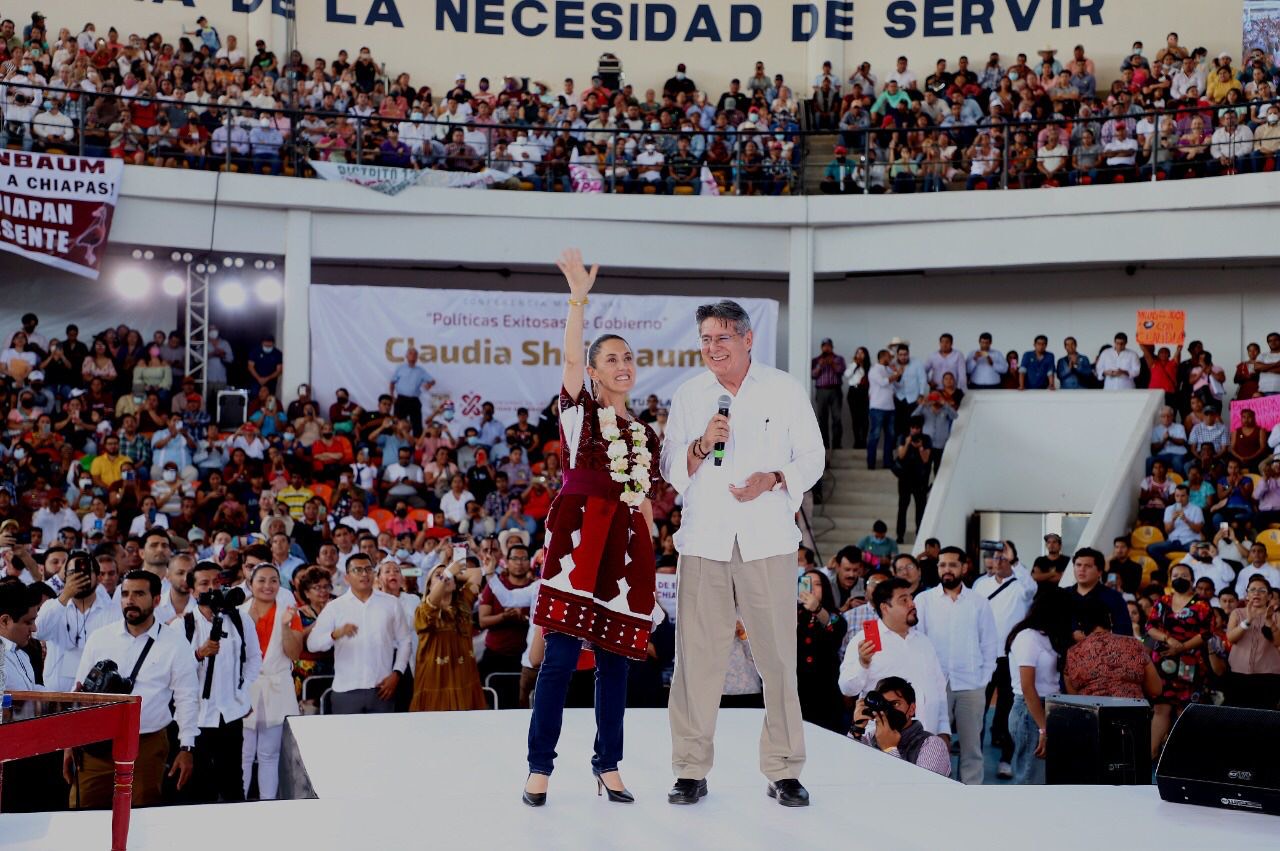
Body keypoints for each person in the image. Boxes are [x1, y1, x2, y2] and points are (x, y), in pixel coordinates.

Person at [660, 292, 824, 809]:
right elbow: (670, 468)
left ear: (748, 339)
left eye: (722, 338)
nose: (712, 348)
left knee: (777, 659)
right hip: (705, 542)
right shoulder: (690, 395)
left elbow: (813, 456)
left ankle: (783, 769)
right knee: (696, 660)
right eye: (705, 340)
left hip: (767, 542)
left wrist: (775, 479)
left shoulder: (784, 390)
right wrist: (702, 444)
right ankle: (690, 769)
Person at [524, 250, 661, 808]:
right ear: (594, 368)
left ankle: (608, 765)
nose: (623, 365)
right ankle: (539, 767)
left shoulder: (646, 433)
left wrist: (650, 552)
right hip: (579, 540)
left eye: (629, 357)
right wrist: (577, 298)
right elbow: (569, 362)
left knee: (615, 664)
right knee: (558, 659)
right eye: (612, 358)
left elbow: (643, 498)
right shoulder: (580, 413)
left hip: (627, 547)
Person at [71, 570, 198, 808]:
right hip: (95, 746)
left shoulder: (175, 643)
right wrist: (70, 740)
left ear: (157, 600)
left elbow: (186, 698)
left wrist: (186, 747)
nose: (130, 600)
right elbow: (79, 691)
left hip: (147, 745)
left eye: (139, 594)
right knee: (83, 812)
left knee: (141, 814)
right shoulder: (100, 638)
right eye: (125, 593)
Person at [915, 546, 998, 785]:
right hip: (935, 685)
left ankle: (971, 795)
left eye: (952, 565)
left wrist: (982, 680)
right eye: (942, 565)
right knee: (932, 744)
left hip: (970, 685)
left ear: (964, 567)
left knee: (972, 747)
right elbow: (918, 641)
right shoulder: (924, 600)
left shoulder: (978, 603)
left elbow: (990, 644)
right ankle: (935, 789)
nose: (947, 570)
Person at [183, 561, 262, 803]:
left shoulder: (240, 619)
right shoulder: (182, 626)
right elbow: (174, 673)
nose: (211, 588)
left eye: (216, 582)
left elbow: (253, 659)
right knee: (199, 786)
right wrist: (198, 654)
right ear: (192, 591)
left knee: (233, 783)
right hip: (196, 718)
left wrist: (241, 692)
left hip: (230, 714)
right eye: (204, 583)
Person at [839, 577, 950, 744]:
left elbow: (939, 689)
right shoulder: (864, 641)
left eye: (911, 598)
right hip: (883, 744)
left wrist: (943, 730)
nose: (912, 604)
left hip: (927, 740)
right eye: (904, 600)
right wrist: (863, 663)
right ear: (885, 607)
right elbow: (847, 688)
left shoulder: (924, 642)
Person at [305, 552, 413, 714]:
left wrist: (397, 673)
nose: (364, 574)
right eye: (358, 570)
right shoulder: (335, 607)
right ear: (347, 577)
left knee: (383, 739)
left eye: (368, 569)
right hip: (346, 689)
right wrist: (335, 634)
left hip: (382, 688)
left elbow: (405, 641)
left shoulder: (391, 603)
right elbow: (312, 644)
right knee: (347, 739)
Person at [239, 564, 302, 800]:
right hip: (246, 688)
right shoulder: (239, 612)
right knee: (243, 754)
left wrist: (286, 625)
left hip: (277, 687)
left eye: (273, 580)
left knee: (269, 754)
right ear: (251, 584)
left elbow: (295, 653)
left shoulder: (289, 612)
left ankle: (268, 805)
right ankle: (240, 803)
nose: (268, 586)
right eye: (262, 580)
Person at [1006, 587, 1072, 785]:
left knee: (1042, 778)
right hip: (1030, 711)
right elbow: (1028, 687)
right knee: (1029, 778)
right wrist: (1044, 728)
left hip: (1048, 707)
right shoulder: (1028, 637)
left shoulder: (1048, 636)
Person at [1146, 562, 1212, 759]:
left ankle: (1183, 759)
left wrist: (1182, 647)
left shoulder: (1202, 604)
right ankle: (1150, 754)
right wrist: (1169, 639)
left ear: (1192, 579)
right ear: (1170, 578)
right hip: (1163, 663)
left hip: (1190, 664)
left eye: (1184, 575)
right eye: (1175, 575)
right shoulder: (1162, 602)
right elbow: (1150, 627)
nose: (1179, 578)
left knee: (1186, 710)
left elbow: (1206, 632)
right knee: (1160, 708)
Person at [35, 550, 121, 691]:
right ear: (65, 577)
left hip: (95, 698)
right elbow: (38, 632)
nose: (79, 576)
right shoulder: (53, 605)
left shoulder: (114, 612)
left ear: (98, 578)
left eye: (86, 572)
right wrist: (65, 595)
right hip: (56, 697)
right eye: (72, 573)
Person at [410, 560, 487, 711]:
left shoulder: (464, 603)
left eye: (448, 575)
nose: (445, 577)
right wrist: (448, 574)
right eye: (438, 576)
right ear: (430, 586)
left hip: (464, 680)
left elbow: (477, 573)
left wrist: (454, 574)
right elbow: (432, 601)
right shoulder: (423, 611)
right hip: (436, 681)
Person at [849, 676, 952, 777]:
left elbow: (923, 791)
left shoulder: (932, 744)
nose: (888, 710)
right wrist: (857, 730)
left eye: (895, 704)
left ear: (912, 709)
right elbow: (848, 770)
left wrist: (889, 749)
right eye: (884, 704)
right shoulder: (869, 738)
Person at [1064, 595, 1162, 699]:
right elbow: (1156, 689)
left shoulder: (1073, 653)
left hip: (1091, 713)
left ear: (1081, 624)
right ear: (1110, 619)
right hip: (1131, 713)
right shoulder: (1134, 644)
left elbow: (1074, 699)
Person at [795, 568, 848, 733]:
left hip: (826, 693)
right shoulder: (791, 614)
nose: (811, 588)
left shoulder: (834, 616)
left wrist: (817, 609)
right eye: (806, 583)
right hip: (797, 691)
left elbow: (836, 626)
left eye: (817, 584)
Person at [1224, 576, 1280, 709]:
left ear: (1269, 596)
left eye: (1262, 590)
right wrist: (1247, 621)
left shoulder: (1277, 616)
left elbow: (1278, 642)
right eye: (1252, 590)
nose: (1257, 593)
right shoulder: (1237, 613)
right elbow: (1231, 638)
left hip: (1268, 675)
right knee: (1238, 715)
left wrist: (1269, 621)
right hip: (1238, 674)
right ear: (1247, 595)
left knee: (1264, 716)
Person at [1068, 547, 1132, 638]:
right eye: (1078, 565)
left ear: (1099, 572)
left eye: (1088, 566)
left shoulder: (1113, 597)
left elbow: (1124, 632)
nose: (1081, 569)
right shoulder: (1063, 595)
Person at [894, 416, 932, 544]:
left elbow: (926, 459)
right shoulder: (903, 437)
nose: (915, 431)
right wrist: (907, 442)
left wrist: (920, 447)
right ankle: (900, 535)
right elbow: (901, 455)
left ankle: (920, 535)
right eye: (913, 428)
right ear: (910, 428)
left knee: (920, 509)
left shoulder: (926, 439)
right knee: (902, 507)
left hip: (920, 479)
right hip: (905, 478)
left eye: (917, 428)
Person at [389, 347, 435, 436]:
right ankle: (398, 443)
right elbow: (392, 382)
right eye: (410, 353)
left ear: (417, 357)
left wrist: (429, 384)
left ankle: (417, 446)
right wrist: (392, 396)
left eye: (415, 354)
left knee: (417, 425)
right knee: (398, 423)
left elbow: (432, 381)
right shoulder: (400, 368)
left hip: (414, 400)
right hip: (401, 399)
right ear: (406, 356)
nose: (413, 355)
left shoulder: (420, 370)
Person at [810, 338, 845, 450]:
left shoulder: (838, 359)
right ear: (821, 347)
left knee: (837, 418)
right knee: (822, 419)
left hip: (835, 391)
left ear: (832, 347)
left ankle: (836, 444)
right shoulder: (815, 360)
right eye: (824, 346)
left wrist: (833, 364)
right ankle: (824, 445)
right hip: (821, 392)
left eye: (828, 346)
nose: (826, 348)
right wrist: (820, 366)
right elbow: (812, 375)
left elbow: (841, 371)